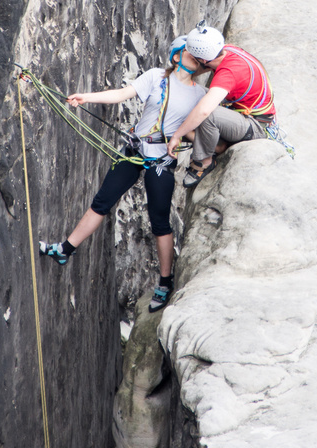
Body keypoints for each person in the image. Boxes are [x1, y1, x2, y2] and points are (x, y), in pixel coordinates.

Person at [39, 36, 206, 313]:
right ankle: (65, 250)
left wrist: (184, 136)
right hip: (134, 148)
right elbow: (121, 94)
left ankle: (165, 282)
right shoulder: (155, 77)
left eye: (198, 56)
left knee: (159, 222)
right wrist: (86, 97)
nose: (194, 58)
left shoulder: (199, 96)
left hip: (161, 160)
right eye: (189, 52)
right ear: (177, 55)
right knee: (102, 202)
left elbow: (194, 130)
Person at [165, 24, 276, 188]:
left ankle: (204, 161)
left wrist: (177, 135)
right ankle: (215, 144)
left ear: (203, 59)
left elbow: (204, 111)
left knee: (208, 112)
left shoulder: (228, 73)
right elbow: (202, 69)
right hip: (245, 114)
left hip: (256, 126)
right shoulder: (226, 51)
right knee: (193, 93)